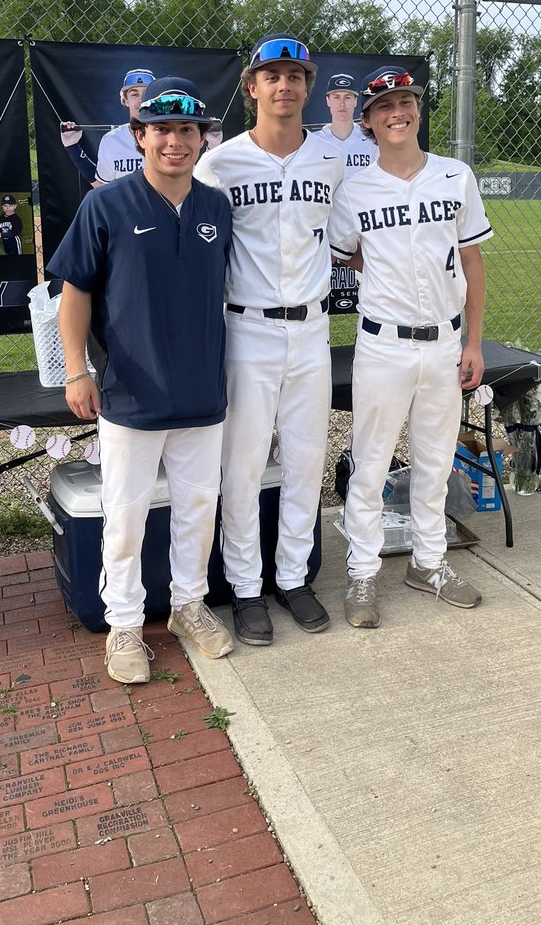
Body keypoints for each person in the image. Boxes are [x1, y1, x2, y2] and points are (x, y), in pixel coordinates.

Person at [52, 76, 234, 683]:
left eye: (187, 130)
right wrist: (77, 369)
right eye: (161, 130)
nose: (175, 142)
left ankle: (188, 605)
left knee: (197, 507)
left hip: (202, 386)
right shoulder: (105, 204)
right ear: (139, 135)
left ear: (201, 137)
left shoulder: (216, 206)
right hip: (129, 388)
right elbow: (73, 292)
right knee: (125, 513)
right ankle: (125, 622)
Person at [328, 66, 492, 628]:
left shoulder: (455, 175)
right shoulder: (355, 189)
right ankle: (362, 570)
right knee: (370, 464)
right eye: (384, 107)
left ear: (417, 110)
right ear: (369, 122)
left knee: (435, 461)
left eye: (406, 103)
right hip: (383, 346)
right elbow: (349, 252)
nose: (397, 113)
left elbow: (472, 260)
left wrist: (473, 342)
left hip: (445, 342)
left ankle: (429, 562)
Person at [195, 33, 343, 646]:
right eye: (272, 75)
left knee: (308, 459)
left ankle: (293, 576)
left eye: (296, 76)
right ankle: (246, 588)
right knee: (245, 463)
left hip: (311, 327)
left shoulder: (332, 161)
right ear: (251, 86)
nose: (285, 86)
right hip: (246, 326)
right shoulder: (220, 162)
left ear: (308, 87)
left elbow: (349, 241)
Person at [60, 68, 154, 186]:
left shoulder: (171, 137)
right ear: (125, 101)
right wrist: (72, 147)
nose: (141, 100)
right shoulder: (111, 140)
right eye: (134, 94)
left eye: (146, 94)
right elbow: (102, 186)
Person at [317, 73, 376, 178]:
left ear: (355, 101)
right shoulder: (314, 141)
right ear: (328, 101)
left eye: (347, 97)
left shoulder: (371, 140)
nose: (342, 104)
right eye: (336, 97)